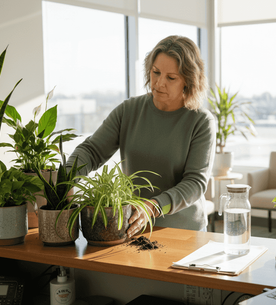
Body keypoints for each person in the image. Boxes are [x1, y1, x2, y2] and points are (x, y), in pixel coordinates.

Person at [66, 35, 216, 237]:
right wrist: (66, 179)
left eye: (171, 78)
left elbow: (195, 183)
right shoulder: (129, 110)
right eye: (156, 72)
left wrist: (153, 206)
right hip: (132, 227)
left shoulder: (201, 122)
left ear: (189, 81)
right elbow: (92, 151)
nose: (159, 83)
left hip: (183, 232)